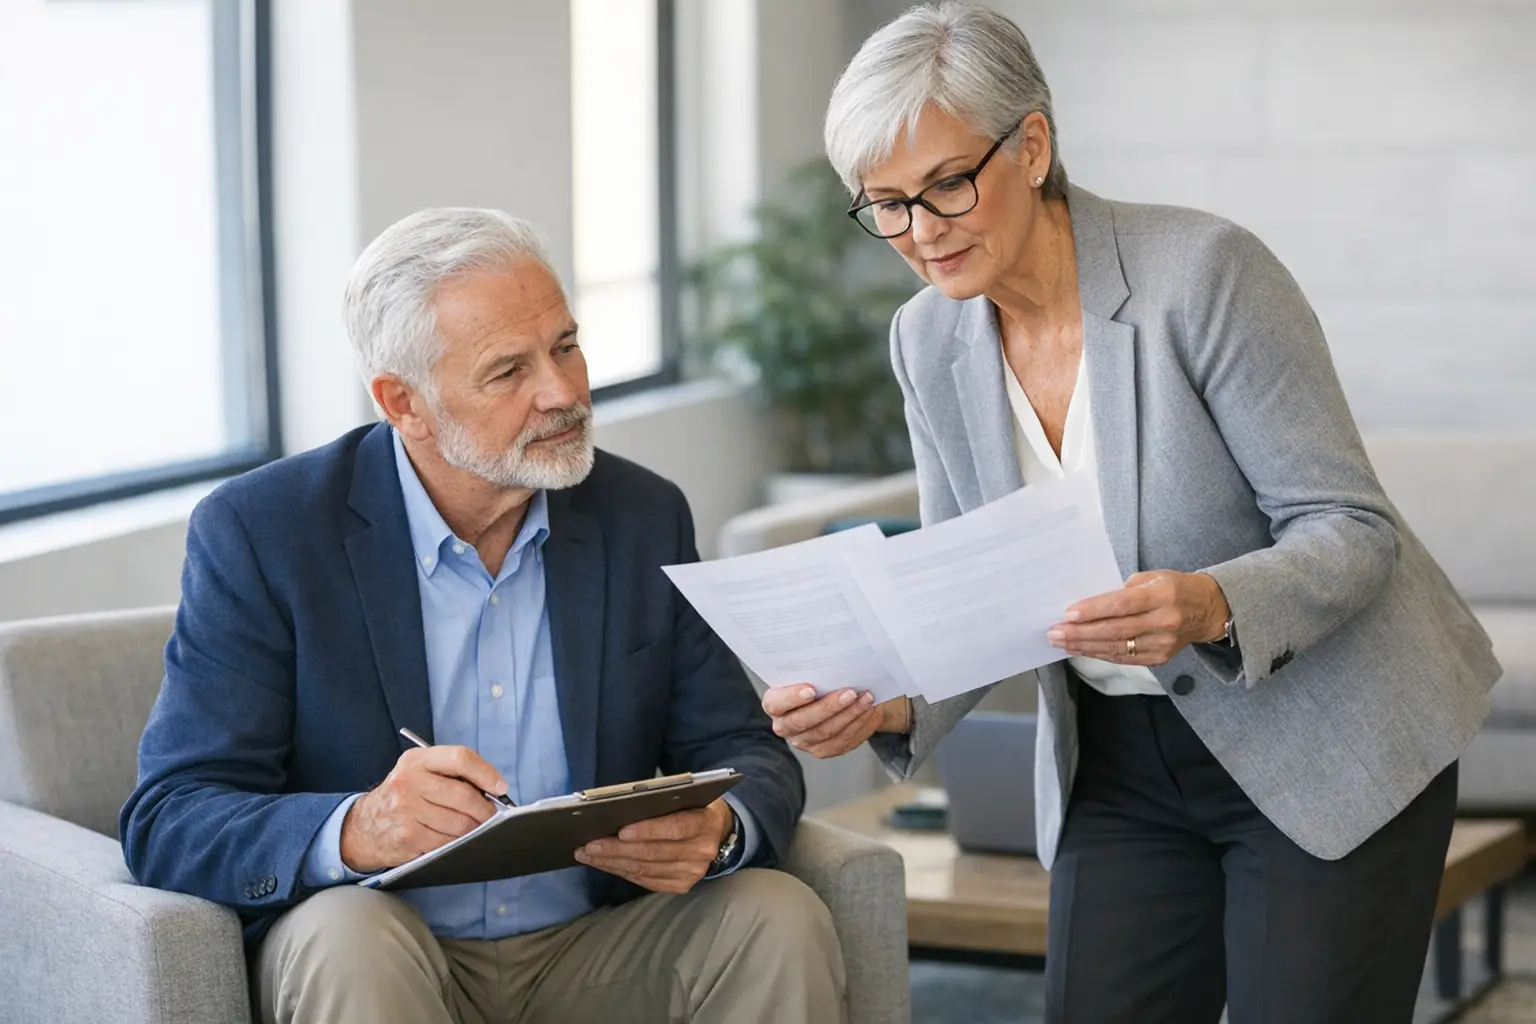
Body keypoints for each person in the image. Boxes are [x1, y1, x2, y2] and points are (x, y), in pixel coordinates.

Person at [762, 4, 1502, 1023]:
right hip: (1117, 762)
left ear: (1030, 145)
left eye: (945, 184)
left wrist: (1208, 603)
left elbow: (1350, 527)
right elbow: (967, 586)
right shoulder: (925, 340)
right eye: (884, 204)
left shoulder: (1201, 275)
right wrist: (885, 703)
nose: (920, 233)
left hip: (1319, 736)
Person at [121, 208, 844, 1024]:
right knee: (346, 935)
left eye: (565, 345)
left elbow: (743, 748)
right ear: (405, 403)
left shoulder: (641, 513)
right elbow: (172, 818)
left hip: (593, 942)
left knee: (777, 919)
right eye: (509, 372)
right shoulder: (265, 532)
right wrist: (356, 828)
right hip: (385, 945)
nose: (564, 392)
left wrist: (720, 829)